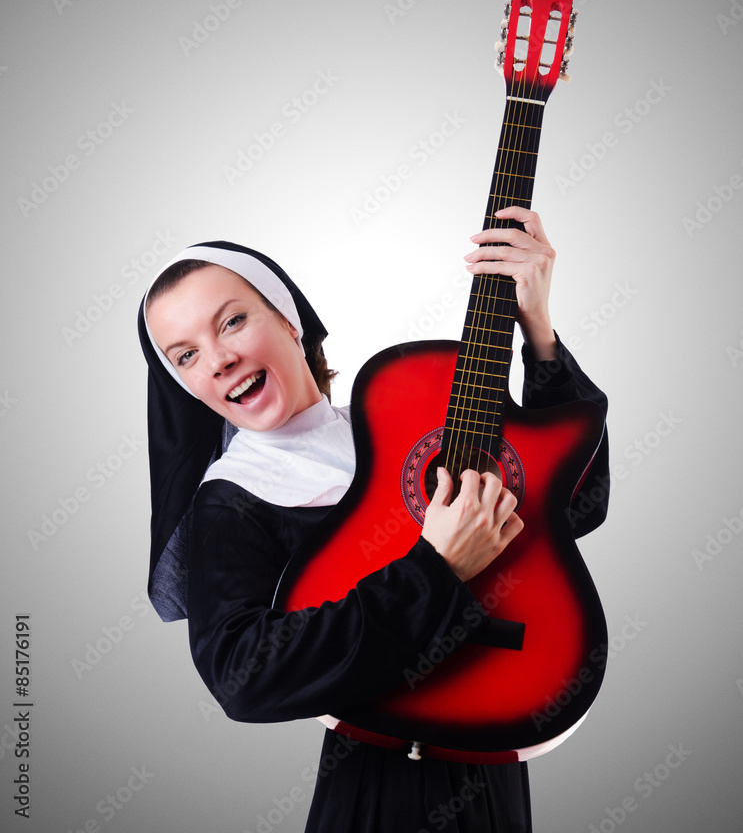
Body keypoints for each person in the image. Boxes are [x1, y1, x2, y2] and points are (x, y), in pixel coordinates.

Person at [137, 206, 609, 832]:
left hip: (496, 761)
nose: (217, 359)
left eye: (232, 321)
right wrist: (436, 568)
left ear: (288, 318)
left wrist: (538, 330)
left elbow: (574, 506)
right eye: (186, 355)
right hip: (381, 784)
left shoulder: (396, 420)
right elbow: (242, 676)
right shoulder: (233, 497)